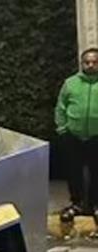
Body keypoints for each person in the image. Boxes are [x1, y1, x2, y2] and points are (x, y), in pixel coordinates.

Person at [56, 48, 98, 223]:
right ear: (82, 64)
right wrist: (62, 129)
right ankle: (77, 204)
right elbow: (61, 107)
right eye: (87, 62)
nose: (91, 65)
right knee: (74, 172)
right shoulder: (70, 83)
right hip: (73, 136)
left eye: (94, 62)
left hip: (96, 136)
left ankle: (95, 205)